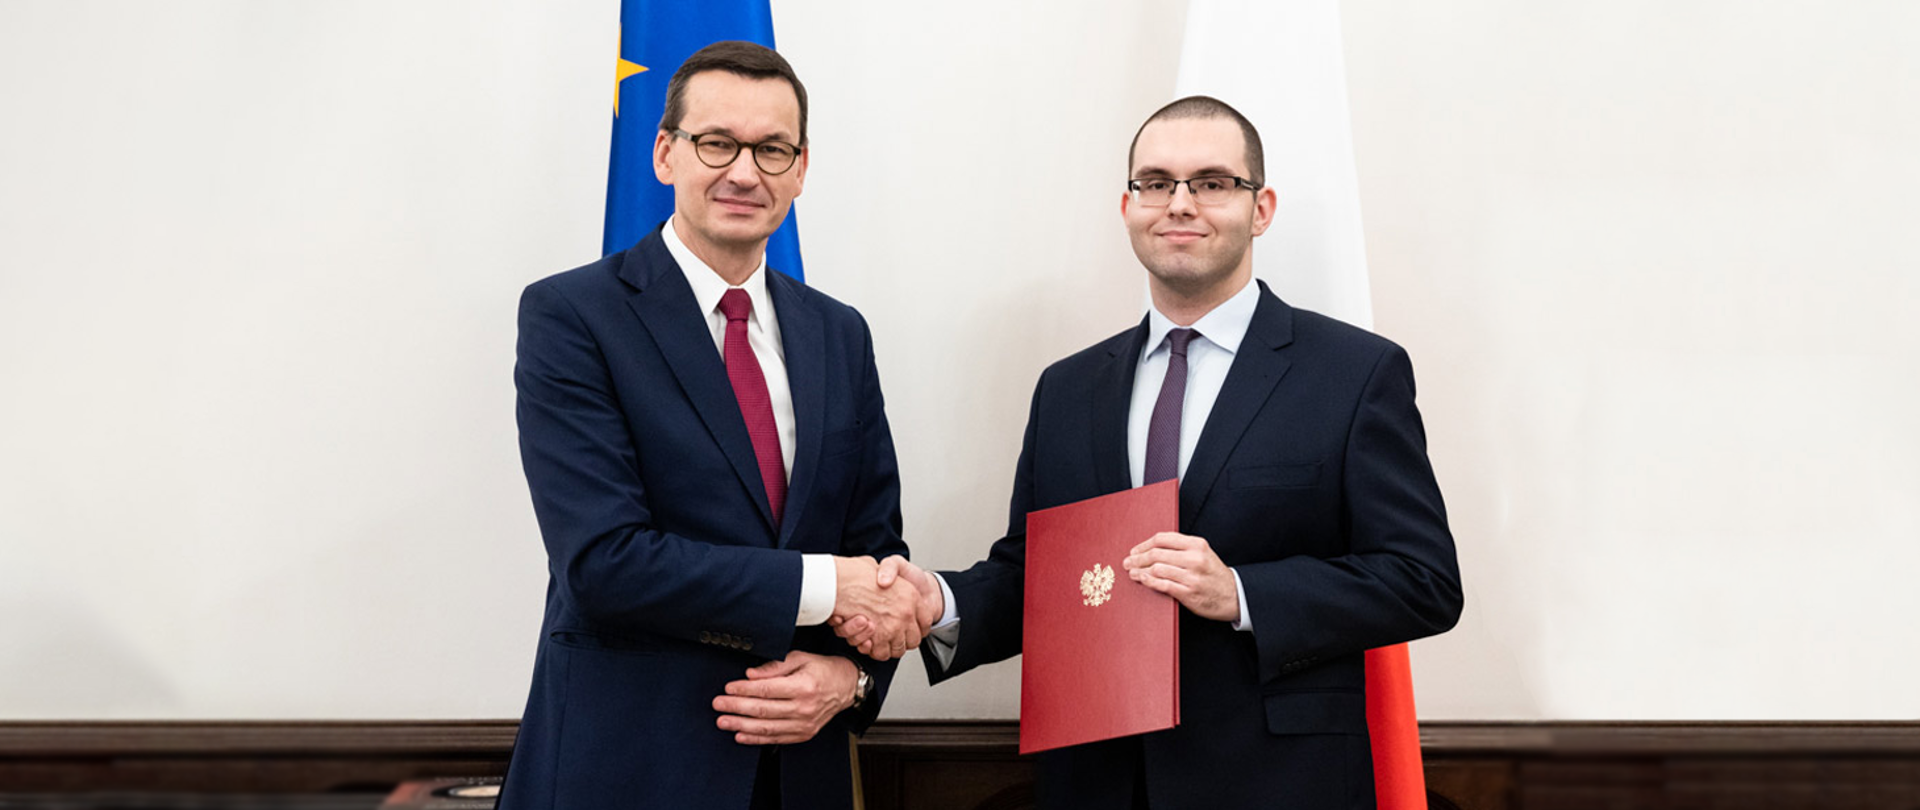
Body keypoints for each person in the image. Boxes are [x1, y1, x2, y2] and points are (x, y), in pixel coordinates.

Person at [838, 96, 1464, 809]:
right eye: (1157, 183)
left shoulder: (1354, 373)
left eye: (1212, 182)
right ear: (1129, 206)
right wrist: (940, 601)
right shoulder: (1068, 388)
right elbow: (1035, 577)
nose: (1180, 203)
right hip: (1095, 780)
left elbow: (1423, 580)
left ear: (1261, 209)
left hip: (1279, 782)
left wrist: (1240, 593)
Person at [500, 41, 923, 810]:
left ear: (801, 168)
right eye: (717, 143)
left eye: (772, 149)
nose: (744, 172)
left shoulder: (839, 334)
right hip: (631, 771)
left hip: (801, 771)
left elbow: (876, 551)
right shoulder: (573, 316)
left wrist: (854, 679)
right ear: (666, 154)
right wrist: (830, 586)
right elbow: (603, 563)